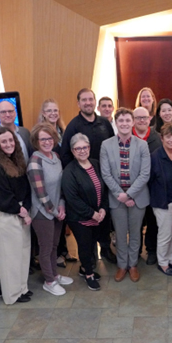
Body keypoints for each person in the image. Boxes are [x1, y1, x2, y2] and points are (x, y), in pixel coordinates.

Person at [60, 88, 116, 263]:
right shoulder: (73, 125)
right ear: (78, 103)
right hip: (83, 181)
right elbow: (65, 155)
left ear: (95, 102)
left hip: (104, 177)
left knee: (104, 219)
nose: (88, 103)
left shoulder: (104, 123)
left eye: (90, 99)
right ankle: (90, 260)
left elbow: (113, 146)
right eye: (84, 100)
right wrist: (76, 177)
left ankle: (106, 250)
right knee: (88, 222)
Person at [100, 108, 151, 283]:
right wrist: (120, 195)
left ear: (133, 122)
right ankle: (122, 265)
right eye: (120, 121)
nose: (124, 124)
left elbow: (145, 174)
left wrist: (129, 195)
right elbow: (106, 174)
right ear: (116, 123)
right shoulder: (106, 145)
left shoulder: (142, 145)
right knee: (120, 234)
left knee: (136, 233)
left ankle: (133, 264)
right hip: (117, 198)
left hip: (137, 198)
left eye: (127, 120)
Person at [0, 127, 33, 305]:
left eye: (10, 140)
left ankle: (22, 289)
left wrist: (26, 209)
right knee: (10, 257)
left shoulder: (18, 161)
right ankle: (12, 295)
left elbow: (26, 189)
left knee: (23, 253)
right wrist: (22, 212)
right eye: (4, 142)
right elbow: (2, 195)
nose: (8, 144)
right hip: (6, 214)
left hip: (21, 212)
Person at [27, 123, 73, 296]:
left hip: (56, 210)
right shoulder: (35, 161)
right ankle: (49, 281)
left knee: (54, 246)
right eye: (42, 139)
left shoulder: (55, 156)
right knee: (45, 248)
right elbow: (41, 193)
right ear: (36, 141)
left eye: (49, 138)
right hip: (42, 211)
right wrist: (55, 212)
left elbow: (60, 186)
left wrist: (61, 205)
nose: (47, 142)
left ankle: (55, 274)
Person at [62, 133, 109, 291]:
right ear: (73, 151)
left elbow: (103, 189)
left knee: (92, 245)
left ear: (89, 148)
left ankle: (85, 269)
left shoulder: (96, 164)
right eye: (78, 148)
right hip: (80, 218)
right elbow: (72, 198)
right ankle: (88, 274)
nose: (82, 151)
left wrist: (102, 208)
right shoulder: (70, 171)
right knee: (85, 246)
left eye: (85, 147)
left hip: (97, 215)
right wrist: (92, 213)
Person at [149, 123, 172, 276]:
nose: (171, 140)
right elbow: (149, 180)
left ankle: (171, 259)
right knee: (165, 234)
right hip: (163, 202)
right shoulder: (155, 157)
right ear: (162, 138)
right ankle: (162, 262)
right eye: (168, 137)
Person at [133, 106, 162, 265]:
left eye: (144, 117)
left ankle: (151, 250)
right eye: (138, 118)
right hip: (134, 188)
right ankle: (135, 250)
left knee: (152, 221)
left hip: (153, 187)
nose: (142, 120)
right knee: (136, 221)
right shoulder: (127, 136)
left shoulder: (157, 138)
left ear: (150, 119)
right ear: (133, 120)